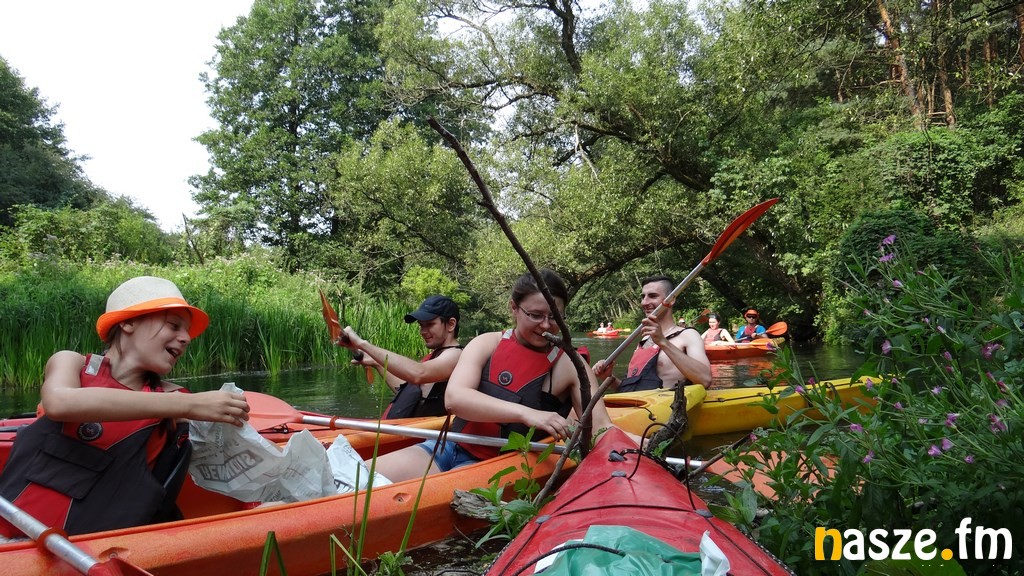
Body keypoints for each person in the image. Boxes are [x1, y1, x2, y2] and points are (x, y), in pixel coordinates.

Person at [0, 276, 250, 538]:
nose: (186, 338)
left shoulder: (175, 397)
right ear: (128, 322)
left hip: (93, 551)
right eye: (174, 325)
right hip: (9, 541)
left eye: (187, 331)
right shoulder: (71, 363)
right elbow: (59, 402)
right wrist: (188, 405)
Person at [368, 269, 638, 482]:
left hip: (502, 465)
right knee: (355, 477)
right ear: (514, 308)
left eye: (555, 316)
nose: (546, 325)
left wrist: (646, 443)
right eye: (535, 315)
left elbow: (601, 428)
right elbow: (455, 398)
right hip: (450, 446)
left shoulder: (569, 363)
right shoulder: (487, 343)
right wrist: (527, 414)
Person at [336, 295, 462, 419]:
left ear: (451, 324)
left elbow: (419, 373)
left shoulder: (456, 355)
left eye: (430, 324)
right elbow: (409, 392)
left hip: (428, 432)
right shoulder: (436, 356)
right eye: (421, 325)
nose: (422, 331)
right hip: (411, 429)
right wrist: (377, 363)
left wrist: (362, 344)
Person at [593, 275, 711, 392]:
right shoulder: (645, 340)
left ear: (671, 300)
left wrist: (663, 342)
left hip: (667, 403)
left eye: (653, 296)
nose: (644, 302)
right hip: (636, 403)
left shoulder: (688, 335)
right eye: (643, 297)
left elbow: (705, 380)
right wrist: (608, 378)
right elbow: (631, 390)